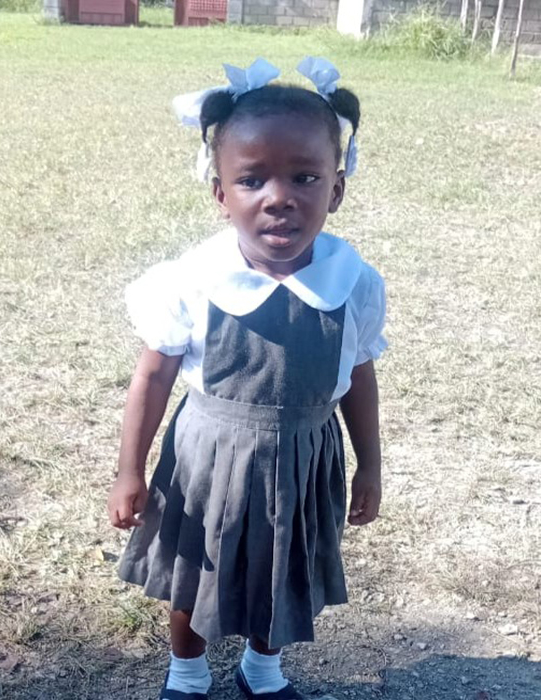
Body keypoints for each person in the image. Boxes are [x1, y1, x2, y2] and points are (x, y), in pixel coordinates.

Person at [108, 57, 387, 700]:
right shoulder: (193, 281)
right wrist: (129, 471)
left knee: (286, 569)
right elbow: (152, 377)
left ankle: (262, 671)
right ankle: (187, 673)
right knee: (195, 573)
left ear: (337, 189)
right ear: (220, 194)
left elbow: (358, 374)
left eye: (305, 177)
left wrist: (369, 465)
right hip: (209, 458)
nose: (278, 197)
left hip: (306, 456)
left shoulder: (353, 284)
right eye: (252, 179)